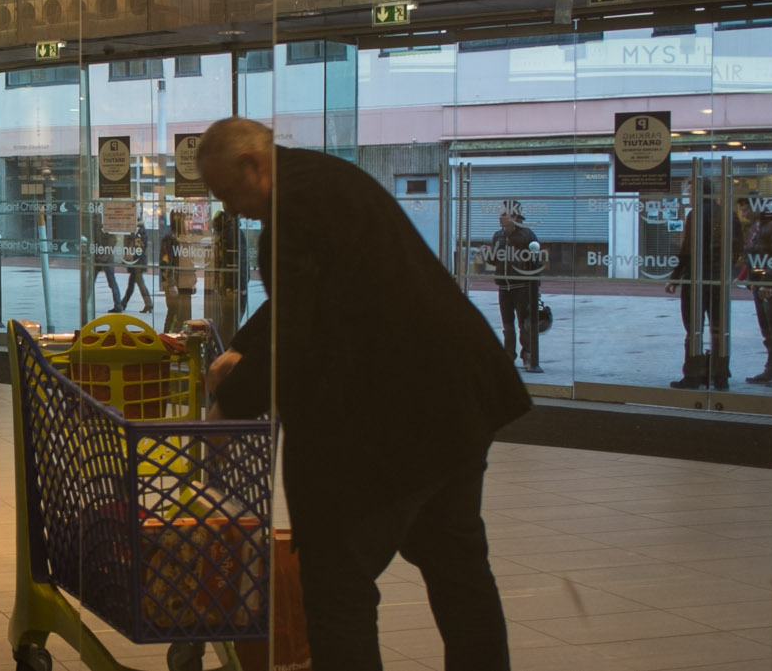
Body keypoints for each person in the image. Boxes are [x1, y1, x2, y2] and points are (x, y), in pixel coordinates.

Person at [199, 117, 529, 671]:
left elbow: (295, 335)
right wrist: (242, 352)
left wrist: (230, 404)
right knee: (459, 570)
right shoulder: (324, 179)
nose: (230, 210)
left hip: (391, 422)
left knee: (336, 587)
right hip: (453, 403)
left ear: (255, 165)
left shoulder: (292, 209)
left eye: (229, 193)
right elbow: (303, 298)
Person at [667, 178, 732, 390]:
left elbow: (688, 250)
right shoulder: (727, 213)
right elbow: (737, 246)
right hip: (718, 279)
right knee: (719, 329)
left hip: (697, 279)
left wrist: (676, 277)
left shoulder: (695, 215)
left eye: (690, 190)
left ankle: (693, 375)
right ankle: (720, 376)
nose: (688, 194)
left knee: (694, 329)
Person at [489, 200, 542, 374]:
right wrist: (488, 253)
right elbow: (492, 260)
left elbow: (536, 261)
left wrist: (536, 287)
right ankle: (508, 355)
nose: (500, 216)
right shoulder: (498, 236)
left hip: (522, 286)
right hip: (504, 287)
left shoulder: (527, 235)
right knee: (507, 325)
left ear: (514, 216)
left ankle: (527, 355)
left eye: (504, 214)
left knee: (523, 324)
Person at [738, 198, 772, 386]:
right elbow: (753, 252)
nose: (744, 214)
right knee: (766, 328)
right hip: (758, 282)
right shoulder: (756, 226)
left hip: (768, 283)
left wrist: (768, 281)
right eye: (742, 210)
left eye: (746, 210)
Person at [207, 209, 249, 345]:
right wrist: (242, 286)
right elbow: (240, 263)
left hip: (224, 286)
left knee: (227, 321)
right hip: (234, 287)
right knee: (232, 322)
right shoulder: (236, 235)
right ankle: (224, 349)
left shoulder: (221, 236)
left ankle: (218, 348)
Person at [159, 210, 197, 332]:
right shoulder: (169, 238)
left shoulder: (187, 238)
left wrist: (193, 281)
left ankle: (182, 342)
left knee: (185, 317)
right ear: (178, 221)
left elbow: (190, 261)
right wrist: (171, 283)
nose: (189, 223)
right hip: (175, 283)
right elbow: (165, 263)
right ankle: (168, 341)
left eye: (191, 219)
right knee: (174, 314)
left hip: (186, 283)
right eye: (187, 220)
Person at [112, 222, 154, 314]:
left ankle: (148, 304)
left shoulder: (137, 230)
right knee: (132, 284)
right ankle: (124, 303)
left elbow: (135, 246)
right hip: (137, 260)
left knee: (139, 283)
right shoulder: (139, 229)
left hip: (137, 261)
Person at [88, 211, 123, 317]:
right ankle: (86, 302)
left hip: (105, 258)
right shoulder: (94, 227)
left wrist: (104, 255)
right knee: (91, 282)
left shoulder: (106, 226)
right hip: (99, 256)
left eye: (96, 218)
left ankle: (118, 305)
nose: (95, 220)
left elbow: (112, 241)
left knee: (111, 282)